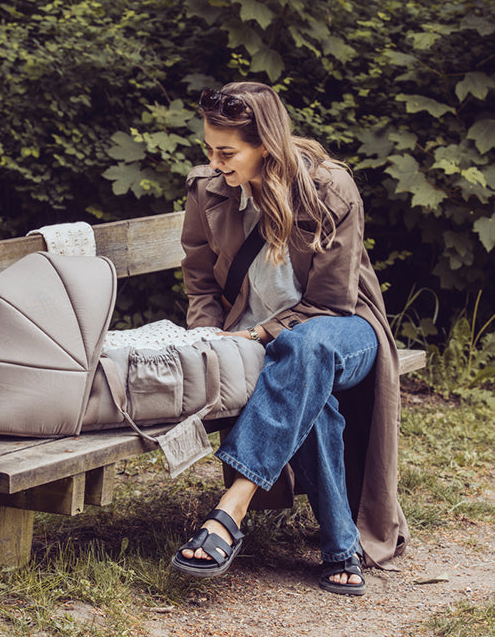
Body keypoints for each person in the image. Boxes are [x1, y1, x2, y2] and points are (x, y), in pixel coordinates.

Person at [170, 81, 409, 595]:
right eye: (208, 149)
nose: (213, 162)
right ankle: (342, 545)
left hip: (346, 330)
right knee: (308, 385)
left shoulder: (329, 188)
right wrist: (210, 336)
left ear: (266, 145)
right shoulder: (208, 189)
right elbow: (201, 281)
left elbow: (330, 303)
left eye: (226, 153)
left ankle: (231, 508)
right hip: (258, 341)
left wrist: (259, 332)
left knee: (304, 347)